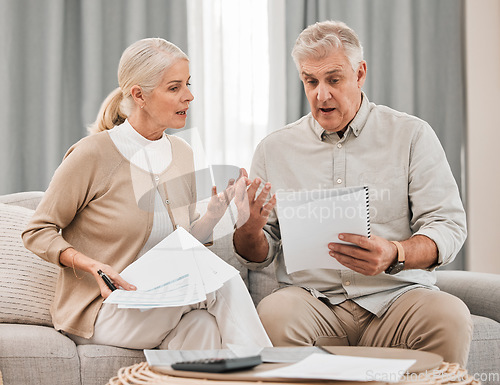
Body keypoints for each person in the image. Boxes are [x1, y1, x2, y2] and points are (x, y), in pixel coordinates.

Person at [233, 20, 472, 366]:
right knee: (273, 313)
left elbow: (447, 225)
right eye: (310, 81)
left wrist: (395, 253)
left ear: (359, 74)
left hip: (396, 298)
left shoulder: (412, 135)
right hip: (313, 303)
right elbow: (259, 252)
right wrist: (249, 230)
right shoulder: (274, 150)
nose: (321, 94)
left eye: (333, 79)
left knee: (449, 317)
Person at [22, 37, 271, 350]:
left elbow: (183, 244)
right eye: (174, 87)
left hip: (157, 299)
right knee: (222, 280)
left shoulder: (182, 153)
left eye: (188, 84)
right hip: (103, 309)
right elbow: (36, 230)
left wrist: (212, 215)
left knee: (202, 325)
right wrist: (92, 266)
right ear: (139, 95)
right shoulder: (93, 154)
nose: (190, 96)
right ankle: (272, 374)